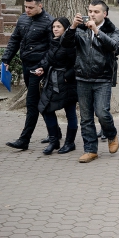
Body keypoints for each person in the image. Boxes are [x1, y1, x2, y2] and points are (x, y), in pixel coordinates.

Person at [63, 0, 119, 163]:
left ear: (105, 14)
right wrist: (73, 27)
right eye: (90, 11)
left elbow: (113, 47)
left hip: (102, 78)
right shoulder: (80, 29)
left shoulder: (112, 31)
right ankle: (90, 149)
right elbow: (64, 44)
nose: (91, 14)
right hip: (82, 77)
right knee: (86, 117)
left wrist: (96, 31)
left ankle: (111, 134)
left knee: (102, 112)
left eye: (96, 11)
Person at [2, 0, 54, 150]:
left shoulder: (49, 22)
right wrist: (6, 60)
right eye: (26, 7)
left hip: (39, 69)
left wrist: (43, 66)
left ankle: (24, 139)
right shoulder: (23, 19)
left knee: (31, 103)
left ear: (40, 5)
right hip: (26, 64)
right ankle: (55, 133)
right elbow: (14, 40)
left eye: (31, 7)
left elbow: (53, 49)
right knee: (40, 102)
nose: (27, 10)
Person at [34, 17, 79, 155]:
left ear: (65, 28)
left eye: (58, 26)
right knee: (45, 108)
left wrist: (67, 76)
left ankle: (70, 143)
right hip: (53, 80)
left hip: (67, 82)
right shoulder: (53, 41)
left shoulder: (70, 43)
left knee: (70, 112)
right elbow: (49, 58)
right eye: (54, 26)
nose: (55, 29)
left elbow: (77, 63)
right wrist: (42, 67)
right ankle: (54, 140)